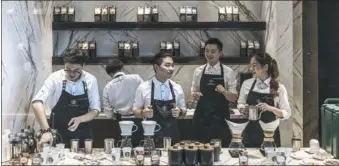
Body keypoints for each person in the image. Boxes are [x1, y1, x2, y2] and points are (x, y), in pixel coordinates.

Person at [31, 49, 101, 148]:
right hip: (57, 134)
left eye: (76, 71)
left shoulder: (90, 80)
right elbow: (36, 103)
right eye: (68, 69)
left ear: (83, 66)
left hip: (83, 135)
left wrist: (80, 119)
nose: (71, 74)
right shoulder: (55, 78)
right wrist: (46, 130)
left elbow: (96, 110)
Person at [191, 38, 238, 147]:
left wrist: (224, 91)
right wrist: (195, 95)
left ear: (220, 53)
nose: (209, 54)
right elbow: (194, 90)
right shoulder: (198, 71)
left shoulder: (228, 72)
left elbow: (233, 98)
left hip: (220, 119)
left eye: (213, 51)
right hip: (201, 117)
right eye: (206, 51)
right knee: (200, 150)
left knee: (221, 152)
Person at [133, 52, 186, 147]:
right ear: (156, 67)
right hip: (151, 137)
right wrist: (143, 113)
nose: (171, 69)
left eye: (173, 66)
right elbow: (135, 111)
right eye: (167, 65)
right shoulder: (144, 87)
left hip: (173, 138)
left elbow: (184, 112)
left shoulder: (177, 88)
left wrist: (180, 112)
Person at [237, 53, 291, 147]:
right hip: (250, 134)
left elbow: (286, 113)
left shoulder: (279, 88)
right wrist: (242, 109)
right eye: (251, 66)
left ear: (265, 67)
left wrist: (271, 108)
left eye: (254, 65)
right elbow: (240, 103)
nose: (251, 69)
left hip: (270, 135)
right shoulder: (246, 84)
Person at [102, 58, 144, 146]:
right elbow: (146, 96)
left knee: (123, 148)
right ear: (122, 68)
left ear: (110, 74)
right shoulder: (136, 78)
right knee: (140, 148)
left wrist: (116, 115)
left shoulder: (107, 87)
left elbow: (109, 114)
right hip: (139, 119)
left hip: (121, 121)